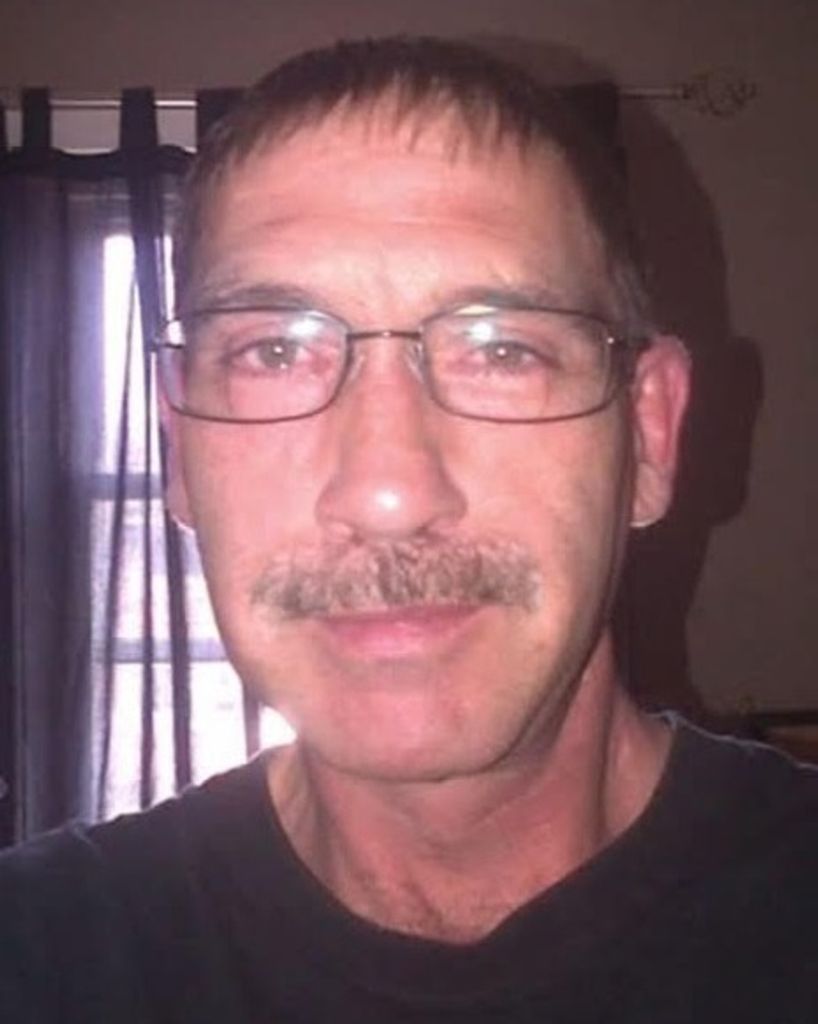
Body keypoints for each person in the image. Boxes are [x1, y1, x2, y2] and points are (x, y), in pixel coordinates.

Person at [1, 36, 816, 1024]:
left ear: (647, 434)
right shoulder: (39, 952)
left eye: (501, 351)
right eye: (273, 352)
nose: (387, 493)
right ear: (178, 450)